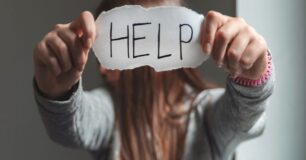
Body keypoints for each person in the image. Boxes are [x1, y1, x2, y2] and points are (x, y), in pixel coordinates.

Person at [33, 0, 274, 160]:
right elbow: (72, 127)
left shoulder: (207, 109)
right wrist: (59, 91)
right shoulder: (110, 112)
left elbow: (244, 118)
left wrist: (251, 73)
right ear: (107, 67)